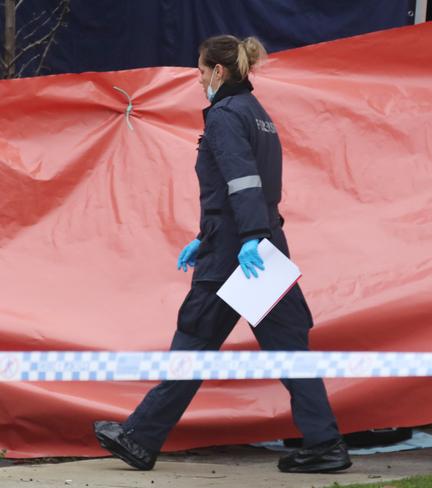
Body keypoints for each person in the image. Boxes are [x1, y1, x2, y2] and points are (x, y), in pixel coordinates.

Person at [94, 35, 351, 474]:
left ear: (218, 71)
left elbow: (242, 181)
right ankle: (325, 443)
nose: (198, 81)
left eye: (199, 72)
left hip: (236, 254)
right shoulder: (259, 115)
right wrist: (211, 234)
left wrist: (239, 237)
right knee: (290, 349)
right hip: (262, 248)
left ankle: (139, 438)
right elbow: (249, 187)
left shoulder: (227, 116)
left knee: (194, 341)